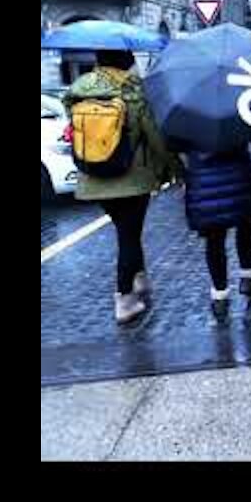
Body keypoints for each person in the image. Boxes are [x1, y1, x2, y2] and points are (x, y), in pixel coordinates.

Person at [63, 49, 183, 325]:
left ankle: (140, 279)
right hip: (131, 178)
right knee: (128, 237)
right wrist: (177, 170)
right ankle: (124, 299)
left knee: (127, 230)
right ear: (127, 63)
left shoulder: (79, 90)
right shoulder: (133, 91)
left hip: (93, 177)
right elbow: (155, 137)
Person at [181, 143, 251, 320]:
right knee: (245, 225)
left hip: (203, 180)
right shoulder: (234, 114)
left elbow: (174, 144)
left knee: (214, 239)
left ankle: (220, 295)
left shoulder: (190, 118)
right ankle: (247, 277)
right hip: (239, 174)